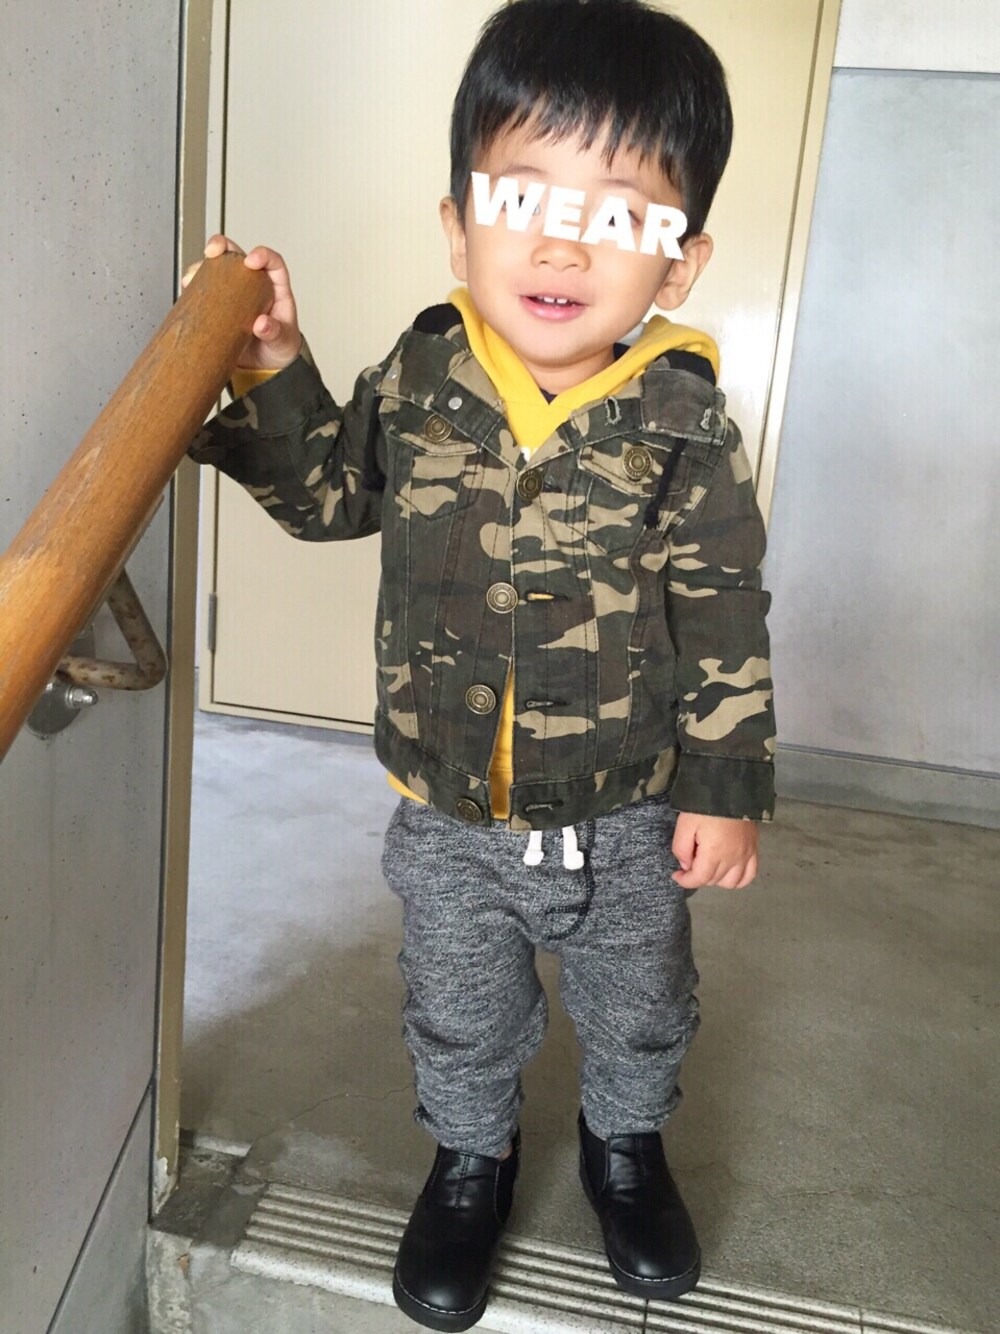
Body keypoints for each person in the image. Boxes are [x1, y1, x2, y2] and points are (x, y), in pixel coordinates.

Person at [183, 1, 775, 1328]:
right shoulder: (423, 375)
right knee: (459, 999)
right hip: (450, 810)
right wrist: (273, 364)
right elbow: (329, 495)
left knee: (640, 996)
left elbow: (724, 613)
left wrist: (726, 790)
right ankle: (471, 1160)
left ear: (679, 264)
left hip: (627, 808)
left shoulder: (684, 422)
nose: (563, 242)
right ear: (459, 225)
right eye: (523, 197)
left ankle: (626, 1147)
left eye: (619, 213)